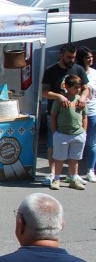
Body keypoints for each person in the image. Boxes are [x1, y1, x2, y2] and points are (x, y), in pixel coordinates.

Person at [42, 44, 89, 186]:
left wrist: (82, 97)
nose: (71, 60)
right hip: (56, 112)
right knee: (53, 145)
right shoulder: (51, 71)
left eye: (73, 57)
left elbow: (86, 88)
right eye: (68, 57)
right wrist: (59, 96)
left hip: (75, 111)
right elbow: (44, 92)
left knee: (74, 148)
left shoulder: (78, 69)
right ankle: (52, 173)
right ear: (61, 55)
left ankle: (72, 175)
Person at [48, 75, 87, 191]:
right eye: (75, 87)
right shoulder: (60, 100)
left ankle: (74, 179)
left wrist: (84, 132)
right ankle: (56, 179)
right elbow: (53, 116)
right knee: (59, 158)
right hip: (62, 134)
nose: (78, 90)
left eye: (79, 87)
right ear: (67, 87)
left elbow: (85, 116)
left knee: (74, 159)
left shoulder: (80, 100)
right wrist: (55, 132)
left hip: (78, 134)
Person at [76, 46, 96, 183]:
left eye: (91, 57)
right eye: (88, 57)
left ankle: (90, 170)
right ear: (82, 59)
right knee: (78, 141)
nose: (91, 59)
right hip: (77, 112)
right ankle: (74, 172)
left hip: (92, 111)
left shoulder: (95, 73)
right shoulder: (76, 72)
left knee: (91, 143)